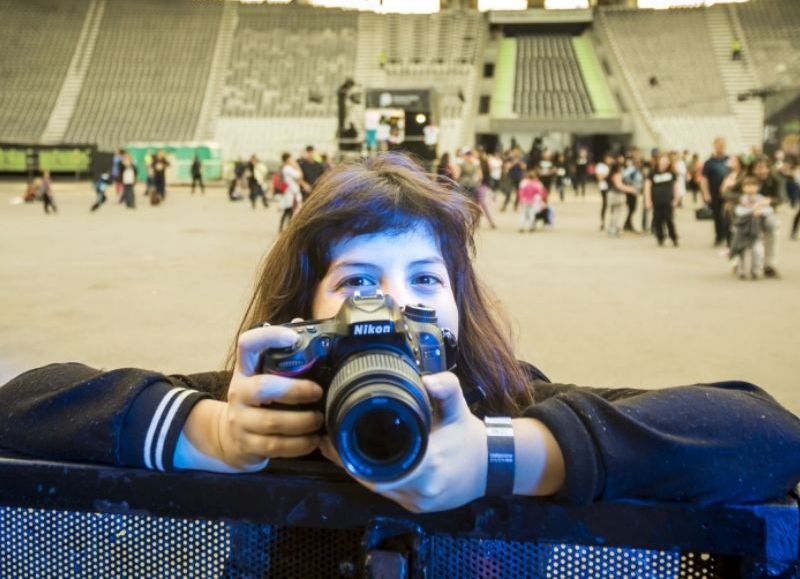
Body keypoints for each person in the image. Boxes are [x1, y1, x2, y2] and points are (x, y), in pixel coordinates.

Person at [1, 153, 799, 515]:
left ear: (460, 302)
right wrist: (211, 429)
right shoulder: (268, 411)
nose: (394, 306)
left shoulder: (505, 404)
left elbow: (768, 434)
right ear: (301, 313)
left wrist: (507, 453)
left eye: (425, 279)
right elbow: (21, 403)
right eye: (355, 283)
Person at [729, 176, 772, 280]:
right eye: (747, 186)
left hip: (756, 231)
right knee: (742, 251)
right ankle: (742, 270)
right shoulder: (741, 200)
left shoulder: (761, 199)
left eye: (753, 186)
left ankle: (756, 270)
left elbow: (769, 211)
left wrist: (760, 210)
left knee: (758, 251)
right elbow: (739, 212)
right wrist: (753, 210)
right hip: (742, 231)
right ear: (743, 188)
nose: (750, 188)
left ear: (758, 187)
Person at [643, 153, 679, 247]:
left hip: (668, 201)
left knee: (669, 219)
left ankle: (673, 237)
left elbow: (675, 187)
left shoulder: (672, 174)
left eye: (667, 161)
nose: (664, 162)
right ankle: (660, 238)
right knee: (658, 220)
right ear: (658, 161)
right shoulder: (652, 173)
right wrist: (648, 200)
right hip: (656, 201)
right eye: (663, 160)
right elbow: (647, 188)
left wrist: (676, 199)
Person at [701, 138, 731, 247]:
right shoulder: (709, 162)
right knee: (717, 216)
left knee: (728, 216)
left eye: (723, 146)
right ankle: (719, 237)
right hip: (714, 193)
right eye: (719, 145)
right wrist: (706, 193)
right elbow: (704, 180)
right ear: (715, 146)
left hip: (728, 193)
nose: (721, 148)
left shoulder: (729, 160)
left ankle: (729, 237)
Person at [517, 168, 549, 233]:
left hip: (525, 201)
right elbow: (541, 193)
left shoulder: (524, 183)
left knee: (523, 214)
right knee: (532, 214)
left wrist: (520, 201)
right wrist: (542, 202)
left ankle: (521, 227)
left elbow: (521, 193)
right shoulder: (537, 184)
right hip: (533, 201)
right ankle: (531, 227)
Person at [279, 152, 303, 232]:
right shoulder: (288, 168)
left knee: (288, 210)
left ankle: (283, 228)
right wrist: (297, 166)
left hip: (291, 192)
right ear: (288, 159)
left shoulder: (286, 168)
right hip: (291, 192)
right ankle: (287, 229)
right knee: (290, 210)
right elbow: (299, 175)